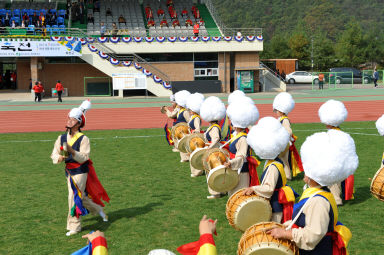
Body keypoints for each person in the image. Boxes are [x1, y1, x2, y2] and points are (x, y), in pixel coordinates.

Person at [269, 130, 357, 255]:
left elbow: (313, 235)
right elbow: (302, 220)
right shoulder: (316, 193)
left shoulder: (318, 201)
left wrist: (286, 233)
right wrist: (284, 226)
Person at [50, 100, 109, 236]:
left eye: (73, 120)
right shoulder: (61, 137)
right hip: (69, 171)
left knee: (73, 197)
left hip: (80, 171)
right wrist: (57, 158)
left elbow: (84, 157)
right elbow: (54, 153)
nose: (69, 121)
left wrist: (72, 151)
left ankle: (74, 226)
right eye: (69, 118)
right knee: (80, 197)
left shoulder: (83, 139)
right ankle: (98, 209)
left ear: (78, 123)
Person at [243, 117, 296, 223]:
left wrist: (253, 189)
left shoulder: (273, 166)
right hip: (275, 201)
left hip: (276, 203)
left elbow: (269, 188)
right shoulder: (272, 162)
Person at [318, 99, 353, 206]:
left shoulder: (335, 134)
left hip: (335, 161)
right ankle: (333, 198)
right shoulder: (338, 132)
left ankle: (336, 200)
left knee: (334, 183)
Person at [224, 99, 260, 196]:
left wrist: (231, 162)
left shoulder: (243, 138)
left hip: (241, 169)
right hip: (236, 166)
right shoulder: (238, 135)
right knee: (233, 193)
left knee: (239, 195)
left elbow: (241, 156)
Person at [272, 92, 303, 180]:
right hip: (281, 142)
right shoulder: (281, 119)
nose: (275, 112)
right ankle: (284, 175)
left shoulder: (285, 120)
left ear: (281, 111)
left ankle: (288, 176)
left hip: (284, 144)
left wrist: (283, 136)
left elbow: (289, 131)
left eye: (276, 110)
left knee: (284, 160)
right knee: (282, 159)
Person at [200, 96, 226, 199]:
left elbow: (216, 138)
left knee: (212, 171)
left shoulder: (214, 127)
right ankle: (221, 190)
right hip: (214, 150)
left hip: (213, 152)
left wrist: (209, 147)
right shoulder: (214, 126)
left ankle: (215, 193)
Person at [186, 93, 205, 177]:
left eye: (191, 109)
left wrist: (194, 131)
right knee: (191, 154)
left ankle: (198, 171)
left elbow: (198, 128)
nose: (189, 110)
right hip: (191, 137)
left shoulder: (196, 117)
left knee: (195, 155)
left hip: (195, 138)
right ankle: (194, 171)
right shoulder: (193, 116)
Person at [174, 90, 191, 162]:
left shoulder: (185, 111)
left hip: (184, 130)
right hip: (179, 130)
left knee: (184, 144)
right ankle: (183, 158)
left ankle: (186, 157)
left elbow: (189, 121)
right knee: (180, 144)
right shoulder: (180, 110)